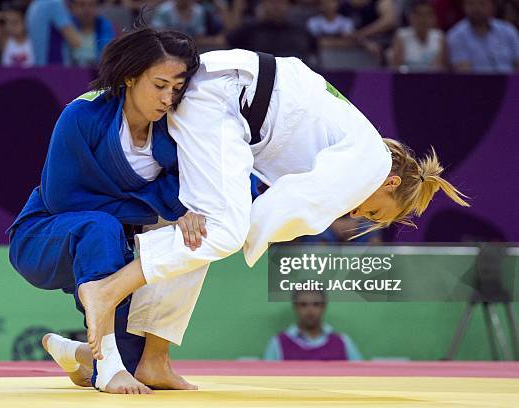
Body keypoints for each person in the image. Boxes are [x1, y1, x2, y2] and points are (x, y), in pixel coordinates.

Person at [76, 48, 470, 394]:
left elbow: (290, 197)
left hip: (224, 100)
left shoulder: (352, 142)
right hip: (221, 97)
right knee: (222, 232)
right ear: (391, 182)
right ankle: (107, 290)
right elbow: (299, 202)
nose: (357, 214)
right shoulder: (372, 162)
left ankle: (154, 358)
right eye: (373, 211)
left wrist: (230, 230)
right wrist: (245, 234)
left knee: (199, 232)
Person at [7, 26, 200, 394]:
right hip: (44, 235)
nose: (167, 98)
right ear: (129, 76)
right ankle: (108, 365)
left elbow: (208, 182)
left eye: (176, 89)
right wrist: (160, 203)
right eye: (159, 85)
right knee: (102, 225)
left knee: (194, 234)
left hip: (113, 249)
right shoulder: (83, 115)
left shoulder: (176, 131)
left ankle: (79, 354)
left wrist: (191, 209)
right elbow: (63, 199)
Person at [264, 290, 362, 361]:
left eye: (316, 304)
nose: (310, 310)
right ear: (295, 307)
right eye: (303, 304)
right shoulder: (277, 343)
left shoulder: (343, 342)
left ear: (324, 306)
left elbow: (361, 379)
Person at [447, 0, 519, 72]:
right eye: (471, 3)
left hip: (510, 81)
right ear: (463, 6)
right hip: (474, 82)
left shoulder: (508, 30)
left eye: (482, 3)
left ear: (492, 6)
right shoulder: (456, 35)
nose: (476, 8)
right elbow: (464, 73)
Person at [391, 0, 447, 72]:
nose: (423, 20)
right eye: (419, 15)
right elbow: (395, 68)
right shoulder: (401, 36)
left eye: (427, 14)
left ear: (433, 17)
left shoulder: (439, 37)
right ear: (411, 17)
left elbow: (444, 70)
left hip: (432, 81)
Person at [26, 0, 83, 65]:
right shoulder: (54, 4)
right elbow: (76, 42)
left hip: (38, 67)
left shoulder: (33, 5)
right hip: (55, 68)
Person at [0, 1, 35, 67]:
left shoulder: (33, 40)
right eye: (7, 22)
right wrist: (5, 15)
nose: (10, 27)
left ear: (25, 21)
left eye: (15, 22)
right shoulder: (5, 40)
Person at [66, 0, 115, 67]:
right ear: (74, 7)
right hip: (70, 73)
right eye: (81, 5)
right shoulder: (67, 26)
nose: (86, 9)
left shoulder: (105, 27)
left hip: (96, 73)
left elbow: (107, 57)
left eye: (91, 5)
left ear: (97, 7)